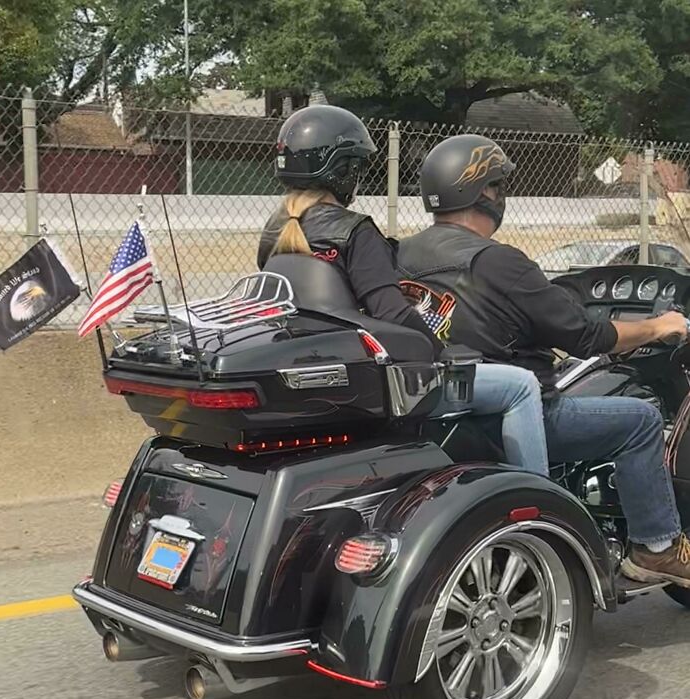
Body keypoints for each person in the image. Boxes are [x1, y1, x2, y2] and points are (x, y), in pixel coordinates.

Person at [397, 133, 690, 587]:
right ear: (486, 192)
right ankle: (656, 547)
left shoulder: (404, 255)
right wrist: (657, 326)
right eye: (498, 185)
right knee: (641, 419)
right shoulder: (500, 262)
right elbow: (586, 335)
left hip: (444, 410)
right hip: (519, 413)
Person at [258, 105, 550, 475]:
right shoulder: (355, 230)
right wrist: (447, 352)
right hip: (380, 384)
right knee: (521, 385)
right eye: (356, 166)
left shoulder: (275, 232)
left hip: (316, 373)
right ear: (343, 170)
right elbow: (391, 313)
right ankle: (545, 502)